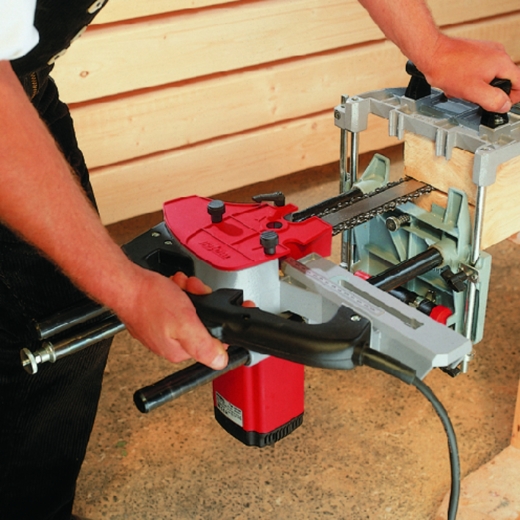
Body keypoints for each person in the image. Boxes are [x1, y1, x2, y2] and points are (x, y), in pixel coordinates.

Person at [0, 1, 519, 519]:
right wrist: (126, 288)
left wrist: (431, 48)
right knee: (51, 327)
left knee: (66, 317)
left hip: (27, 90)